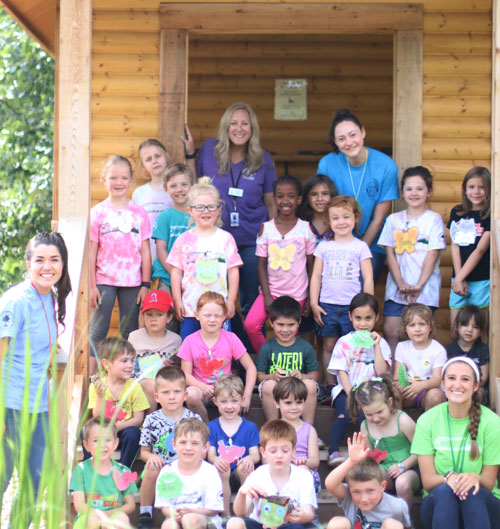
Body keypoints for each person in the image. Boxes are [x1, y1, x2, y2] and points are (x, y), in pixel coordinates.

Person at [0, 232, 71, 520]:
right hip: (11, 406)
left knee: (34, 481)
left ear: (62, 264)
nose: (47, 266)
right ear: (28, 263)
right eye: (39, 259)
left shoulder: (50, 297)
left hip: (39, 407)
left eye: (54, 260)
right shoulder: (15, 300)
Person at [195, 102, 277, 320]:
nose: (239, 129)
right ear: (225, 126)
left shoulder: (263, 159)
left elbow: (271, 203)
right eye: (234, 123)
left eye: (245, 124)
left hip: (251, 240)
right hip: (215, 240)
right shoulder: (209, 150)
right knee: (216, 298)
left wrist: (274, 239)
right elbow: (196, 188)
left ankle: (247, 352)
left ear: (253, 129)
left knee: (249, 299)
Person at [411, 356, 500, 529]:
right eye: (451, 378)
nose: (457, 385)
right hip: (439, 506)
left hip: (483, 508)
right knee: (445, 491)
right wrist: (447, 479)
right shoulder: (427, 420)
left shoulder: (492, 422)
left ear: (475, 386)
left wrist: (475, 478)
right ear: (443, 383)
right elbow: (428, 481)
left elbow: (489, 482)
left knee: (472, 490)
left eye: (465, 379)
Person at [318, 108, 399, 283]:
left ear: (363, 132)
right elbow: (323, 209)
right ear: (335, 142)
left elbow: (378, 219)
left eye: (353, 134)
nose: (349, 142)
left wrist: (358, 250)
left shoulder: (386, 166)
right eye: (341, 138)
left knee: (361, 284)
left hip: (371, 241)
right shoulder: (327, 164)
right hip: (336, 238)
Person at [89, 154, 152, 374]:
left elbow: (145, 250)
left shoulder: (139, 213)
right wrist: (91, 285)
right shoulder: (97, 213)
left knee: (131, 331)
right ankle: (92, 379)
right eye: (113, 177)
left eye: (124, 177)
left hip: (133, 282)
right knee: (98, 330)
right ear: (103, 180)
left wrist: (146, 284)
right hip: (103, 280)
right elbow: (92, 250)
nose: (119, 182)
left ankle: (130, 376)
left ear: (131, 180)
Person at [244, 175, 316, 353]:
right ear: (274, 199)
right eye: (280, 196)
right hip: (272, 292)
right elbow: (261, 265)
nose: (286, 201)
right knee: (251, 325)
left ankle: (289, 372)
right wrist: (267, 296)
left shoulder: (306, 229)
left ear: (299, 199)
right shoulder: (266, 229)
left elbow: (311, 266)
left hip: (298, 294)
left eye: (291, 196)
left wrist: (310, 299)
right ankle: (269, 358)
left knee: (290, 335)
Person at [378, 166, 446, 353]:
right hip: (396, 289)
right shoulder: (393, 220)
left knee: (421, 334)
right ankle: (392, 379)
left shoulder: (434, 219)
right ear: (402, 192)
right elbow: (389, 253)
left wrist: (419, 285)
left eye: (419, 188)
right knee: (391, 331)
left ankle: (419, 379)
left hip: (425, 289)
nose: (413, 193)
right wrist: (400, 283)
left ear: (429, 191)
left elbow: (433, 254)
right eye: (409, 189)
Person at [167, 177, 243, 339]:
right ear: (190, 210)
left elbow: (233, 271)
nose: (206, 211)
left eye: (211, 207)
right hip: (190, 308)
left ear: (219, 209)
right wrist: (177, 300)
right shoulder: (183, 240)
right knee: (190, 349)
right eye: (200, 207)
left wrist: (231, 301)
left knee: (221, 348)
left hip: (218, 311)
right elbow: (176, 272)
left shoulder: (226, 239)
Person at [310, 195, 374, 387]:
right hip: (327, 305)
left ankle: (353, 382)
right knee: (328, 345)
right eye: (335, 218)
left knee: (352, 346)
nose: (341, 222)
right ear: (328, 221)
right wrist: (314, 303)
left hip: (351, 307)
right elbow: (316, 276)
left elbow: (368, 277)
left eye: (346, 217)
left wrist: (367, 306)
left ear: (355, 218)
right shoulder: (324, 246)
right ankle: (331, 387)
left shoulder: (360, 246)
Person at [327, 293, 391, 467]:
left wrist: (376, 346)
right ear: (350, 317)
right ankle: (333, 450)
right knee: (343, 413)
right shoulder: (344, 342)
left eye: (368, 318)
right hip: (347, 390)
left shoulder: (381, 343)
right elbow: (341, 371)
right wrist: (351, 395)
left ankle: (369, 453)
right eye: (358, 318)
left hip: (373, 393)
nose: (363, 323)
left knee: (369, 416)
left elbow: (382, 371)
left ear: (376, 318)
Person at [138, 366, 202, 529]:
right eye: (166, 393)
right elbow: (144, 452)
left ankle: (190, 510)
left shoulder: (193, 419)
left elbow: (200, 450)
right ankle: (145, 513)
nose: (172, 397)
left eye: (176, 392)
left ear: (185, 395)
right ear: (157, 397)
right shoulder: (151, 420)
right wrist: (151, 457)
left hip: (186, 469)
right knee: (151, 467)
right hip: (161, 469)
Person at [177, 292, 257, 422]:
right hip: (200, 390)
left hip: (225, 390)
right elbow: (185, 375)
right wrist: (202, 387)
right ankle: (205, 426)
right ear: (197, 315)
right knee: (191, 395)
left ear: (224, 316)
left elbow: (250, 367)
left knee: (231, 395)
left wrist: (247, 396)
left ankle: (227, 429)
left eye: (217, 316)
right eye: (207, 315)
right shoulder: (190, 341)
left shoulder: (231, 339)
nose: (212, 319)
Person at [226, 419, 317, 529]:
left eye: (285, 450)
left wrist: (302, 515)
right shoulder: (258, 475)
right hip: (259, 525)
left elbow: (308, 512)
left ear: (293, 451)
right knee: (234, 523)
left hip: (289, 525)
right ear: (263, 452)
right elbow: (241, 512)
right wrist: (241, 493)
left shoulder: (303, 476)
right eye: (273, 451)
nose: (279, 455)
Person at [349, 374, 420, 510]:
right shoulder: (365, 426)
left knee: (402, 483)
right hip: (386, 469)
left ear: (390, 402)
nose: (375, 418)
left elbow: (422, 451)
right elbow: (369, 458)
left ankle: (405, 522)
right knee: (369, 477)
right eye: (369, 414)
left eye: (379, 412)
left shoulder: (402, 420)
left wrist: (403, 465)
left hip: (411, 470)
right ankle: (375, 519)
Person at [325, 432, 411, 529]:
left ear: (382, 486)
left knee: (392, 525)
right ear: (350, 489)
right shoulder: (349, 496)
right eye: (356, 492)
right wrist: (351, 462)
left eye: (370, 491)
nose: (364, 499)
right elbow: (330, 484)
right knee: (338, 523)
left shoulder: (398, 506)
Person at [255, 296, 319, 424]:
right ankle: (273, 428)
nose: (285, 330)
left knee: (311, 385)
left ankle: (308, 429)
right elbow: (259, 376)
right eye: (280, 324)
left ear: (299, 322)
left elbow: (315, 374)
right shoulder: (267, 348)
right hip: (276, 387)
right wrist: (273, 376)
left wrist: (302, 375)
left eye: (291, 325)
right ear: (271, 323)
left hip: (298, 387)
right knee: (267, 385)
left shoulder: (305, 347)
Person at [87, 337, 149, 468]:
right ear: (107, 364)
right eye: (124, 361)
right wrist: (100, 396)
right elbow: (97, 417)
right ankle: (92, 471)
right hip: (103, 433)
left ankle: (123, 471)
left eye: (132, 360)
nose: (130, 365)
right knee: (87, 432)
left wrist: (117, 427)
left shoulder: (134, 386)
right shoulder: (97, 386)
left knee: (134, 433)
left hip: (123, 432)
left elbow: (138, 419)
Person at [155, 418, 224, 529]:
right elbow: (165, 506)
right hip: (177, 519)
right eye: (182, 442)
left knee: (190, 520)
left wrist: (192, 511)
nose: (188, 448)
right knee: (168, 525)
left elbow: (214, 509)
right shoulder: (167, 472)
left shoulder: (210, 471)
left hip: (205, 520)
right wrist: (173, 514)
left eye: (195, 443)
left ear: (205, 447)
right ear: (174, 444)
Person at [208, 375, 260, 516]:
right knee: (221, 469)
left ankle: (246, 513)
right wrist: (216, 460)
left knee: (245, 468)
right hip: (220, 476)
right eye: (223, 401)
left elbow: (255, 454)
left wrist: (250, 459)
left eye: (234, 401)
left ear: (242, 400)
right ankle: (226, 514)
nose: (229, 406)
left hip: (240, 475)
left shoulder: (250, 427)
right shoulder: (212, 427)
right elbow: (211, 454)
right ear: (215, 401)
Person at [70, 417, 136, 529]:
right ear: (86, 446)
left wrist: (106, 516)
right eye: (96, 440)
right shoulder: (80, 470)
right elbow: (79, 505)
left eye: (107, 440)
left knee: (121, 519)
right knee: (91, 521)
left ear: (116, 444)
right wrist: (100, 516)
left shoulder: (123, 470)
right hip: (89, 516)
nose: (102, 445)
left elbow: (130, 505)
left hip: (113, 515)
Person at [296, 173, 337, 349]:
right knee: (305, 341)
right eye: (314, 194)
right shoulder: (300, 225)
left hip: (331, 292)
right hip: (303, 290)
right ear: (306, 198)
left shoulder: (339, 225)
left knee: (326, 344)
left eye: (325, 193)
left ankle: (323, 378)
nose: (320, 199)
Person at [448, 167, 491, 328]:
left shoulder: (490, 214)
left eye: (481, 187)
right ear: (465, 190)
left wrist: (460, 278)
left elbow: (480, 250)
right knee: (455, 327)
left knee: (478, 328)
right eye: (472, 187)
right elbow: (454, 244)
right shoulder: (457, 212)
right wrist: (458, 277)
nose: (476, 191)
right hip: (457, 278)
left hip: (481, 279)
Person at [128, 289, 182, 413]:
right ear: (143, 316)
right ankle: (148, 423)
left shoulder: (175, 340)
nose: (153, 319)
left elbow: (178, 369)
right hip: (137, 382)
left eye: (159, 315)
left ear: (169, 317)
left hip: (165, 385)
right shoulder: (134, 337)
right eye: (149, 314)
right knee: (150, 384)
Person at [393, 304, 446, 412]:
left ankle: (429, 427)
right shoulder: (402, 347)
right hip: (407, 390)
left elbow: (437, 379)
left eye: (422, 324)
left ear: (430, 327)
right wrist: (399, 385)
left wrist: (421, 386)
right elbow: (398, 375)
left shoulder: (438, 349)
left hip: (427, 391)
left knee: (435, 394)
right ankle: (398, 424)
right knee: (393, 391)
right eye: (412, 325)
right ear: (405, 329)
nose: (417, 329)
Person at [273, 377, 321, 493]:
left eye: (299, 402)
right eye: (288, 403)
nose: (294, 407)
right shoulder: (273, 429)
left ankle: (305, 508)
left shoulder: (309, 430)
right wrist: (284, 460)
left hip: (304, 471)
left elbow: (315, 461)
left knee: (302, 470)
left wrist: (304, 461)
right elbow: (266, 460)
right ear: (277, 403)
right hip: (280, 468)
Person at [152, 163, 194, 296]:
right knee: (165, 311)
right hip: (166, 275)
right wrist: (176, 274)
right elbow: (161, 249)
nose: (179, 189)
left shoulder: (198, 216)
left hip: (193, 276)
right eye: (173, 186)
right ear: (166, 189)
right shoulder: (164, 217)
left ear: (192, 185)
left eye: (184, 184)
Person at [133, 138, 173, 261]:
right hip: (149, 257)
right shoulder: (139, 193)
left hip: (174, 256)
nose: (154, 161)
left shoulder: (178, 189)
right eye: (148, 159)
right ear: (143, 166)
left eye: (157, 156)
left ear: (166, 156)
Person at [446, 304, 489, 398]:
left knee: (478, 394)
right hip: (455, 387)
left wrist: (469, 387)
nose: (470, 330)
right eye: (465, 325)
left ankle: (473, 413)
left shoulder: (482, 349)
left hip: (476, 387)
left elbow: (484, 377)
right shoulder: (449, 349)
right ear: (456, 326)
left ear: (481, 331)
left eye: (475, 327)